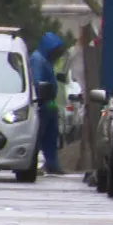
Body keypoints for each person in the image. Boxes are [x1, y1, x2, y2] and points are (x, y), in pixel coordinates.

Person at [30, 32, 66, 175]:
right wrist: (42, 96)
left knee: (51, 134)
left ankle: (52, 164)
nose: (57, 55)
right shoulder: (38, 59)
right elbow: (37, 81)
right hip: (42, 103)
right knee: (39, 134)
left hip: (49, 102)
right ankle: (32, 164)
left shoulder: (45, 60)